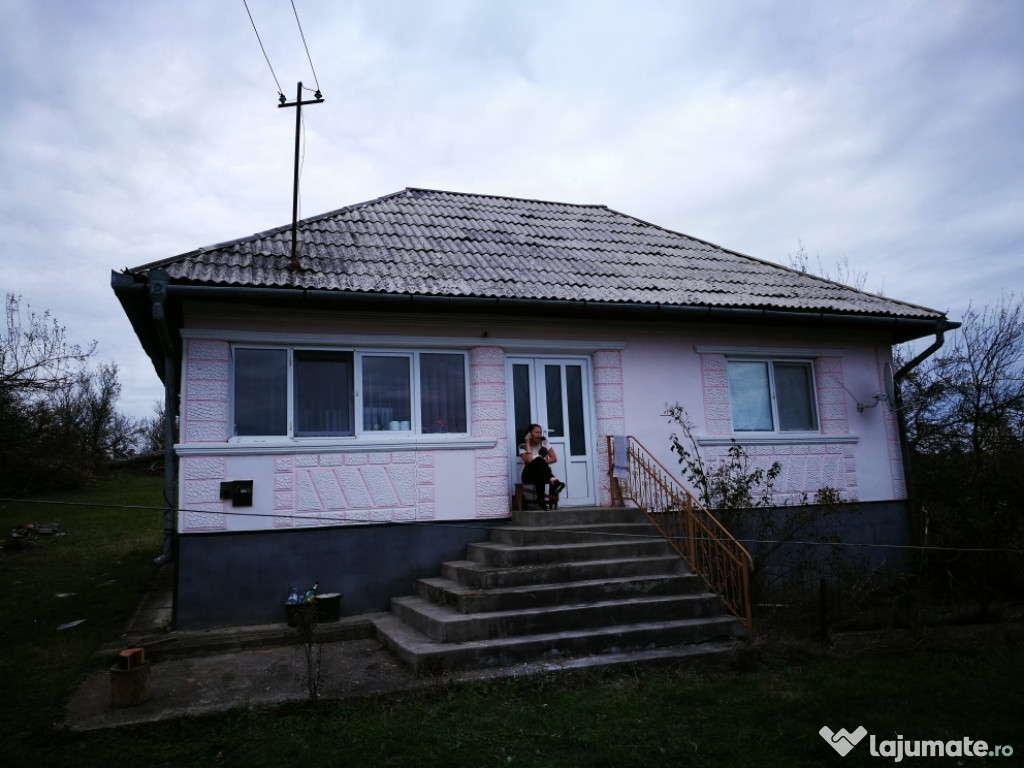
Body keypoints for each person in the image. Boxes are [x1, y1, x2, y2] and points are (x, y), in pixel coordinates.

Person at [518, 424, 566, 510]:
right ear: (529, 434)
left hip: (541, 474)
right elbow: (528, 460)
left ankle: (541, 502)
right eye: (536, 432)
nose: (539, 435)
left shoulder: (544, 443)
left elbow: (554, 458)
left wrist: (542, 463)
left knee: (540, 471)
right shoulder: (522, 446)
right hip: (527, 475)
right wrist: (528, 443)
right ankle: (554, 481)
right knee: (539, 460)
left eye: (540, 432)